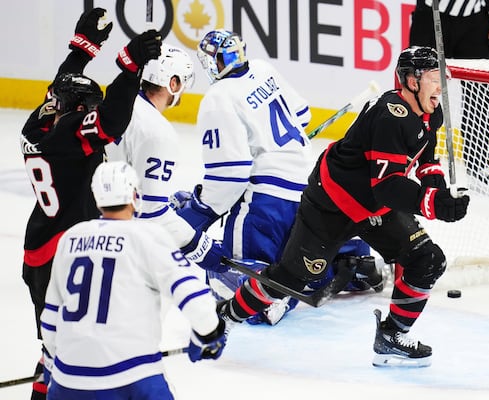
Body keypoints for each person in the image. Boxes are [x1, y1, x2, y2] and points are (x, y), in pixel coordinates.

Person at [217, 46, 470, 367]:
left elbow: (427, 160)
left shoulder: (431, 111)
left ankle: (392, 336)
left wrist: (440, 193)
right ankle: (226, 315)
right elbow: (389, 185)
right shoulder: (391, 116)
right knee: (291, 279)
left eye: (442, 79)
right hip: (332, 205)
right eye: (435, 79)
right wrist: (435, 205)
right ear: (411, 80)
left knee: (427, 259)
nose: (441, 88)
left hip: (373, 207)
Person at [171, 29, 382, 326]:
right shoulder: (263, 69)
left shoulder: (218, 97)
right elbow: (303, 115)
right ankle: (350, 262)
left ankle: (281, 297)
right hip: (314, 189)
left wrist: (199, 209)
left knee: (222, 280)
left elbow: (230, 175)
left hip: (269, 205)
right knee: (300, 254)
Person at [20, 7, 162, 399]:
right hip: (62, 252)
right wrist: (130, 67)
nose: (91, 111)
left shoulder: (41, 122)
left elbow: (61, 86)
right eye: (88, 106)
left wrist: (83, 47)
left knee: (53, 346)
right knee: (70, 348)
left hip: (40, 247)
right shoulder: (67, 135)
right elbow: (111, 121)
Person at [40, 161, 227, 399]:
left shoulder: (70, 238)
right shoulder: (148, 236)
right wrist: (210, 334)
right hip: (131, 376)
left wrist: (57, 368)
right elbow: (194, 297)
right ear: (134, 195)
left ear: (97, 198)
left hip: (68, 381)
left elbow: (50, 319)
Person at [105, 42, 223, 272]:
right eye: (183, 82)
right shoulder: (157, 132)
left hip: (93, 225)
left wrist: (163, 201)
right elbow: (150, 213)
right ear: (173, 82)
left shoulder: (116, 106)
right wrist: (198, 245)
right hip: (123, 247)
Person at [408, 0, 489, 194]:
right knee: (420, 88)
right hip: (432, 13)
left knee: (480, 90)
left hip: (474, 18)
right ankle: (412, 158)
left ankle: (478, 164)